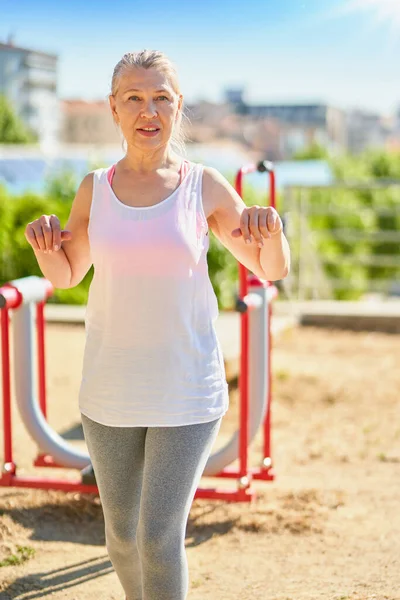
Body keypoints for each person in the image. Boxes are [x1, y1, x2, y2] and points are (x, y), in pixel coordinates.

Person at [25, 49, 290, 600]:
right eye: (135, 98)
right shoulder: (94, 188)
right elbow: (69, 274)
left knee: (158, 534)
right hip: (110, 389)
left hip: (185, 390)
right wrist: (45, 245)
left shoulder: (204, 186)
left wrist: (272, 231)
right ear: (114, 109)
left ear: (178, 106)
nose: (150, 111)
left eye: (161, 98)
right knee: (121, 535)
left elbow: (271, 268)